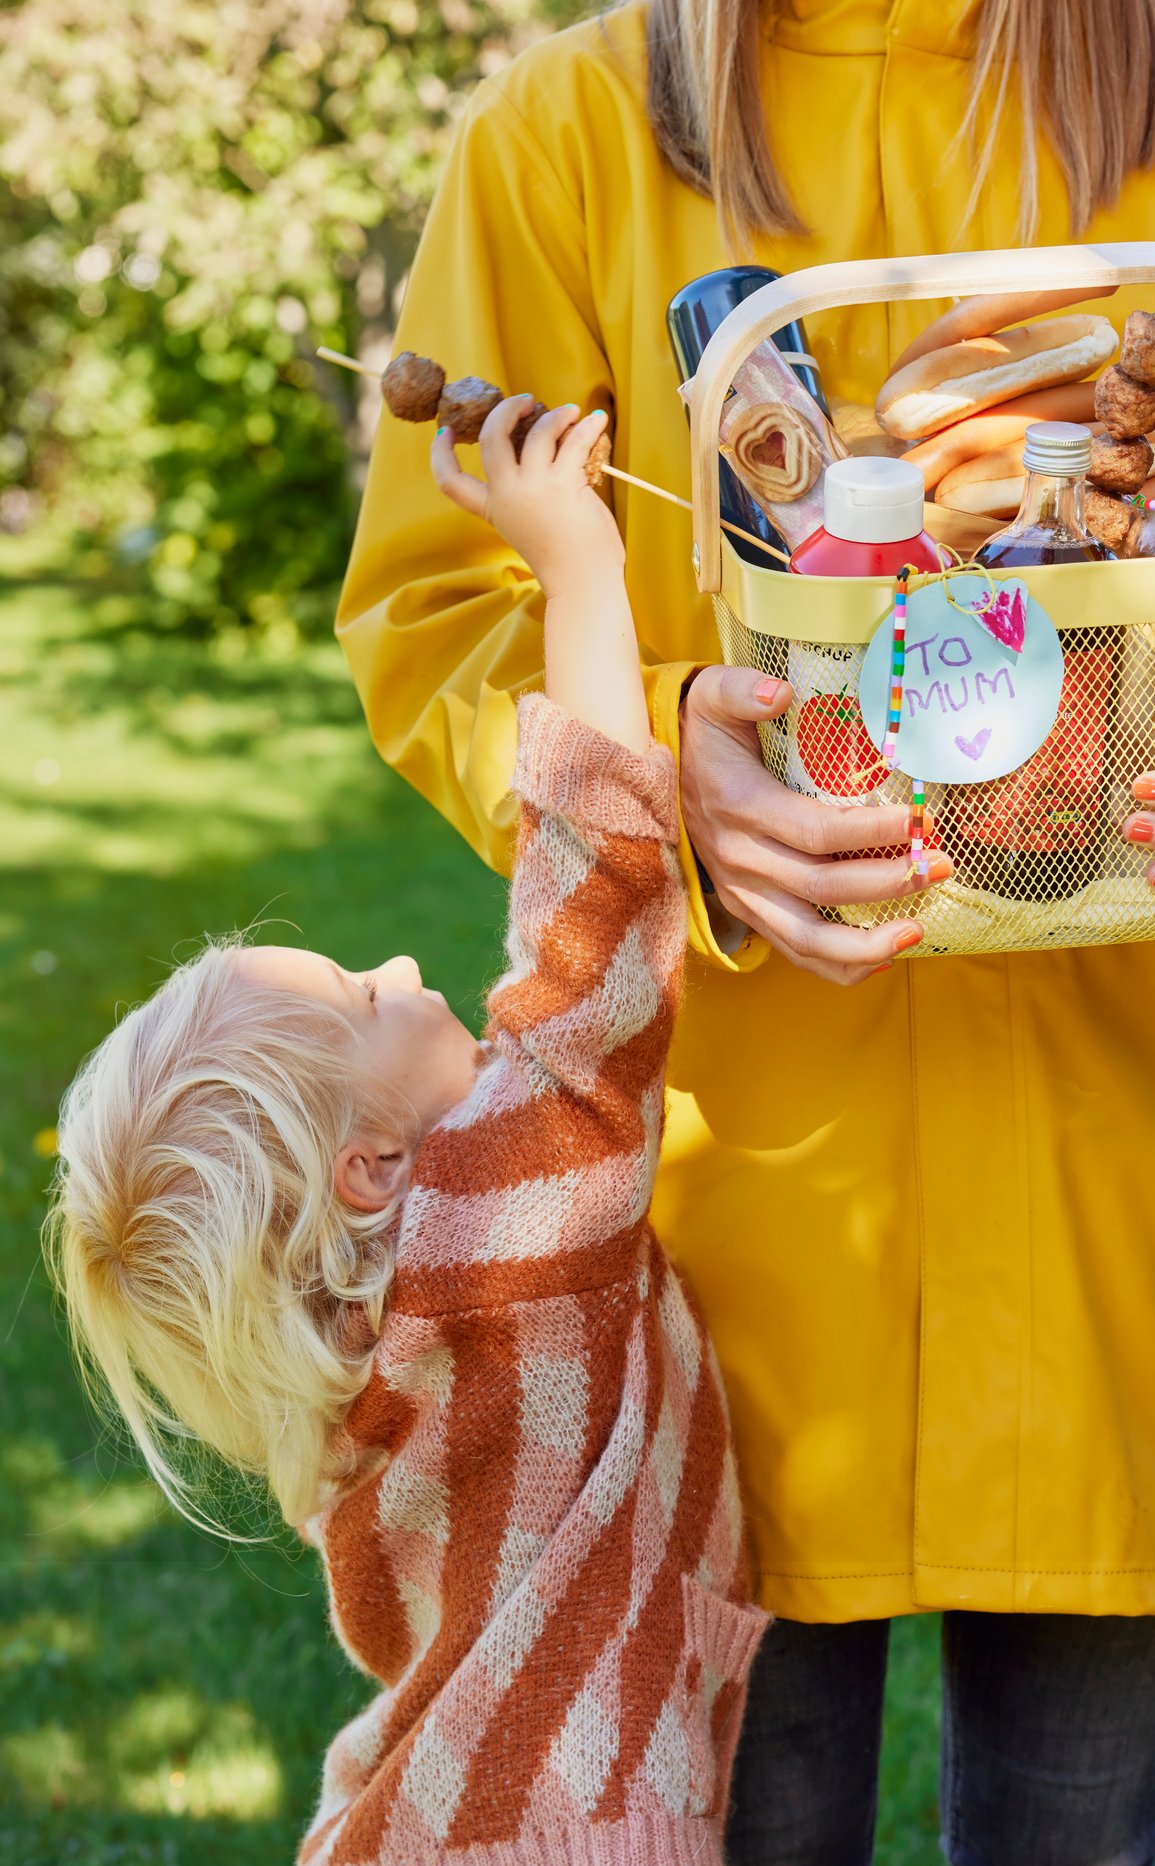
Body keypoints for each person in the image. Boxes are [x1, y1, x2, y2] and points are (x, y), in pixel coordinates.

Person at [335, 1, 1155, 1860]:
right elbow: (443, 610)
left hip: (1116, 1204)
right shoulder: (564, 137)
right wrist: (665, 752)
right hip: (720, 1251)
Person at [47, 400, 770, 1864]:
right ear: (369, 1166)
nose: (394, 968)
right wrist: (576, 568)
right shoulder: (507, 1222)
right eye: (359, 995)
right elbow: (600, 896)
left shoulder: (335, 1370)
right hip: (583, 1825)